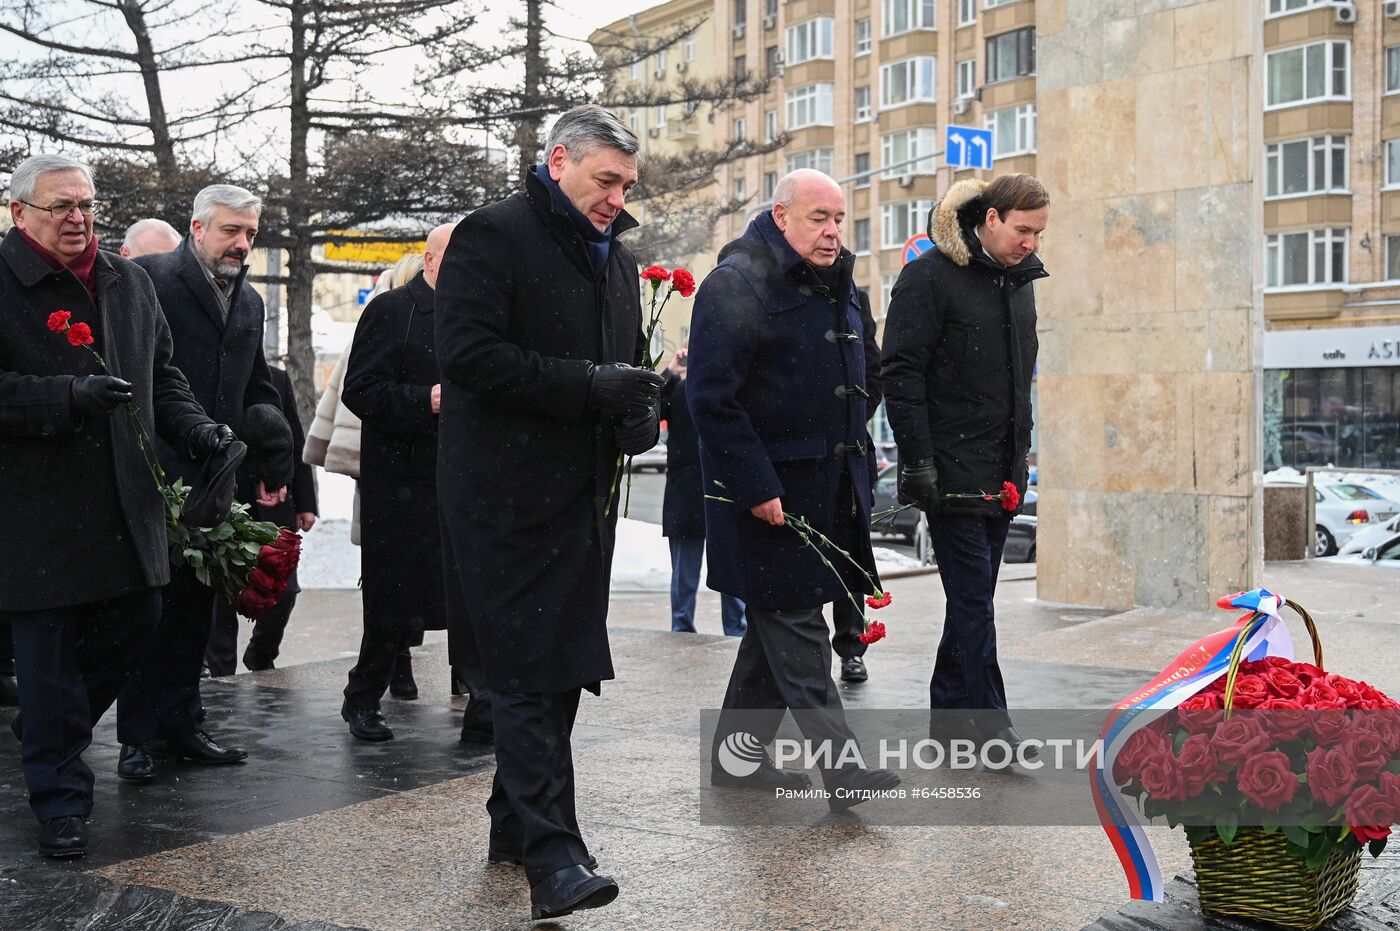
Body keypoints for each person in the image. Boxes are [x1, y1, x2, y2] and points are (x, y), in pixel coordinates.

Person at [435, 104, 662, 921]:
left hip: (580, 498)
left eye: (626, 184)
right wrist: (587, 386)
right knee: (527, 672)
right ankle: (555, 858)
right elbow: (466, 355)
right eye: (606, 181)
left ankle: (510, 823)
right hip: (500, 495)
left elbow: (621, 364)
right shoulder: (492, 235)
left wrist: (636, 410)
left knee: (557, 666)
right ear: (559, 159)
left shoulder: (618, 260)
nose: (616, 197)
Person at [0, 154, 230, 857]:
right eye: (60, 207)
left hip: (124, 505)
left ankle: (51, 729)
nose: (78, 218)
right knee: (44, 656)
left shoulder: (127, 280)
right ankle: (61, 802)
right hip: (32, 510)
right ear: (19, 214)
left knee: (140, 618)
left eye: (86, 205)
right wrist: (63, 398)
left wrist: (196, 427)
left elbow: (162, 374)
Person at [687, 169, 899, 810]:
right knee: (798, 627)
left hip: (832, 487)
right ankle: (843, 772)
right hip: (768, 498)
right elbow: (711, 400)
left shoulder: (843, 284)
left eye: (839, 219)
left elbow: (869, 372)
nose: (833, 231)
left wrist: (846, 440)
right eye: (819, 218)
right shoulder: (736, 283)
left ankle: (735, 763)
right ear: (781, 216)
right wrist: (756, 482)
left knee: (774, 630)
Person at [116, 184, 294, 782]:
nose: (243, 244)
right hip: (153, 471)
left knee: (195, 608)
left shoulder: (248, 303)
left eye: (250, 233)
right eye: (230, 232)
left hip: (214, 479)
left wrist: (274, 456)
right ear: (196, 228)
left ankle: (182, 723)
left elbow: (254, 388)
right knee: (151, 612)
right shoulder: (147, 281)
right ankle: (135, 737)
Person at [880, 174, 1049, 754]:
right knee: (975, 600)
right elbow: (899, 371)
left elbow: (1018, 382)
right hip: (949, 468)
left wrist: (1020, 456)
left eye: (1039, 233)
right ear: (992, 218)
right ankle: (990, 729)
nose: (1030, 242)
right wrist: (918, 459)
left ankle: (950, 719)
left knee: (971, 601)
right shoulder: (929, 276)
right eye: (1022, 230)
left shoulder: (1019, 283)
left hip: (1001, 468)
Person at [338, 225, 453, 740]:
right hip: (402, 483)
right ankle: (363, 696)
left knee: (468, 599)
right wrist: (422, 400)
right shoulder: (390, 311)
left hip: (462, 480)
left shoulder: (482, 316)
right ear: (430, 261)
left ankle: (483, 705)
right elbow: (360, 390)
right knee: (391, 604)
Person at [204, 364, 318, 673]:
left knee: (284, 590)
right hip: (224, 504)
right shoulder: (210, 373)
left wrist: (305, 502)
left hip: (274, 507)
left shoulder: (277, 379)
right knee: (222, 596)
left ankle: (261, 653)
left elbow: (294, 440)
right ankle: (220, 669)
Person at [659, 346, 746, 636]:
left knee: (691, 571)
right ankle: (734, 629)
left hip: (696, 492)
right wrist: (670, 373)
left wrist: (671, 372)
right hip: (712, 491)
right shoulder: (721, 393)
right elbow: (653, 403)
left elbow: (655, 402)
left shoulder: (684, 393)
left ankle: (684, 626)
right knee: (728, 569)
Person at [830, 289, 882, 683]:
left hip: (852, 446)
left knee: (850, 552)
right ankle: (805, 646)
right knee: (807, 551)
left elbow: (874, 371)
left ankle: (851, 647)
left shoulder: (854, 298)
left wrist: (852, 416)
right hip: (803, 444)